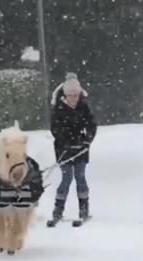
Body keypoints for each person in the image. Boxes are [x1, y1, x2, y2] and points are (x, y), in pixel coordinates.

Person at [50, 73, 97, 222]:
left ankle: (84, 209)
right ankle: (58, 209)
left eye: (76, 95)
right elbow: (55, 129)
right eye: (71, 95)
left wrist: (87, 140)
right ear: (66, 95)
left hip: (81, 149)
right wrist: (65, 141)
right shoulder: (59, 109)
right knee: (67, 177)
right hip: (63, 150)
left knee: (80, 176)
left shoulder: (84, 107)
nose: (74, 98)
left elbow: (91, 125)